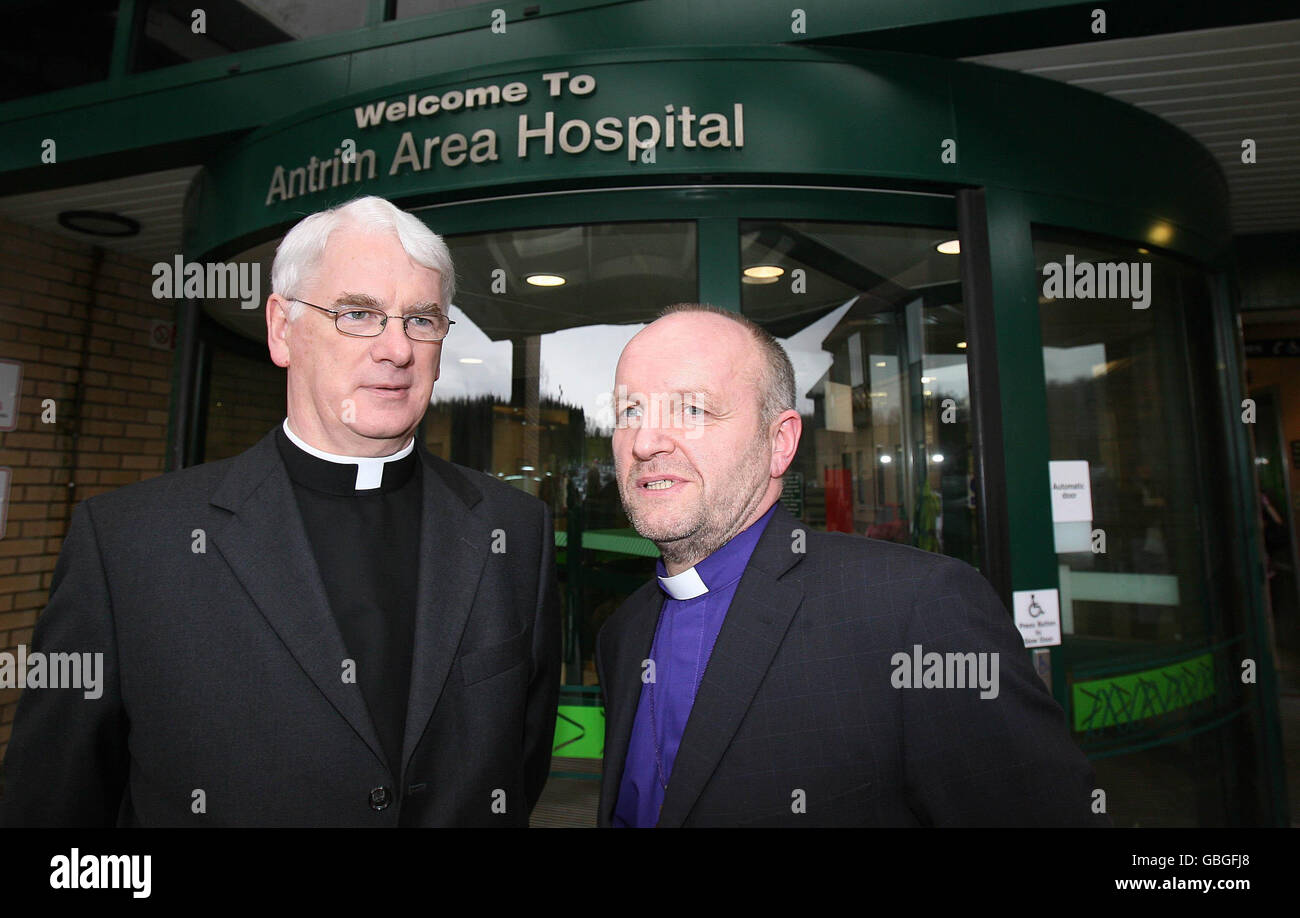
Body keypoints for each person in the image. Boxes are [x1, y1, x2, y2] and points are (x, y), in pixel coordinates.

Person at [1, 196, 560, 827]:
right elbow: (53, 807)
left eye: (422, 321)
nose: (397, 350)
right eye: (358, 314)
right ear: (282, 329)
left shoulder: (514, 530)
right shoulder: (129, 545)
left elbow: (520, 763)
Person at [595, 304, 1105, 827]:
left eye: (693, 409)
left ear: (780, 443)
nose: (645, 441)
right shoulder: (622, 635)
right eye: (630, 411)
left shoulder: (916, 614)